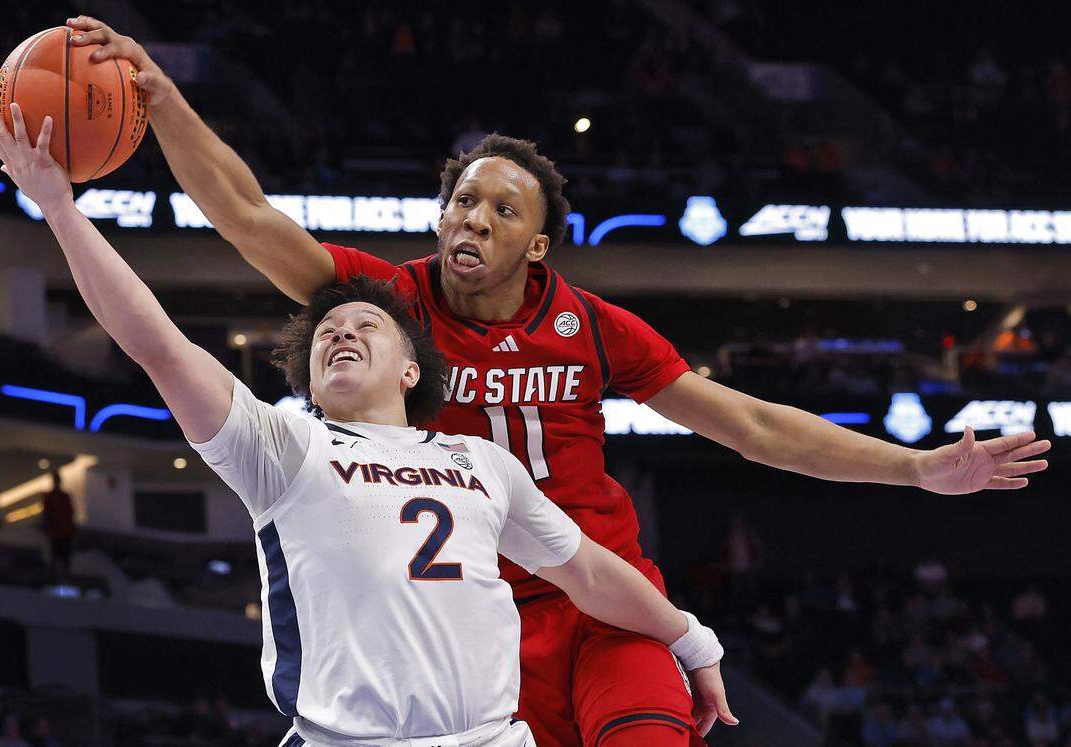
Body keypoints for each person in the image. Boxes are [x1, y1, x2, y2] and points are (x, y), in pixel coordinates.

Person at [65, 17, 1054, 746]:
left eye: (500, 207)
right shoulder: (391, 303)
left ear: (535, 242)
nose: (473, 219)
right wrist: (162, 102)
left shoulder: (595, 326)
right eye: (461, 201)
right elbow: (243, 213)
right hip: (472, 633)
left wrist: (918, 471)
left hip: (605, 609)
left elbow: (751, 425)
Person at [0, 103, 733, 747]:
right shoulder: (283, 447)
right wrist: (61, 209)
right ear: (305, 378)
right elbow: (154, 341)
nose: (343, 330)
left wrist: (691, 640)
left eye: (367, 322)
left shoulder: (481, 462)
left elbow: (594, 573)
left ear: (412, 368)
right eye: (329, 329)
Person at [40, 470, 75, 575]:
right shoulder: (57, 497)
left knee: (59, 556)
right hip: (60, 532)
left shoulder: (56, 497)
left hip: (60, 532)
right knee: (60, 556)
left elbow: (68, 513)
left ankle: (58, 574)